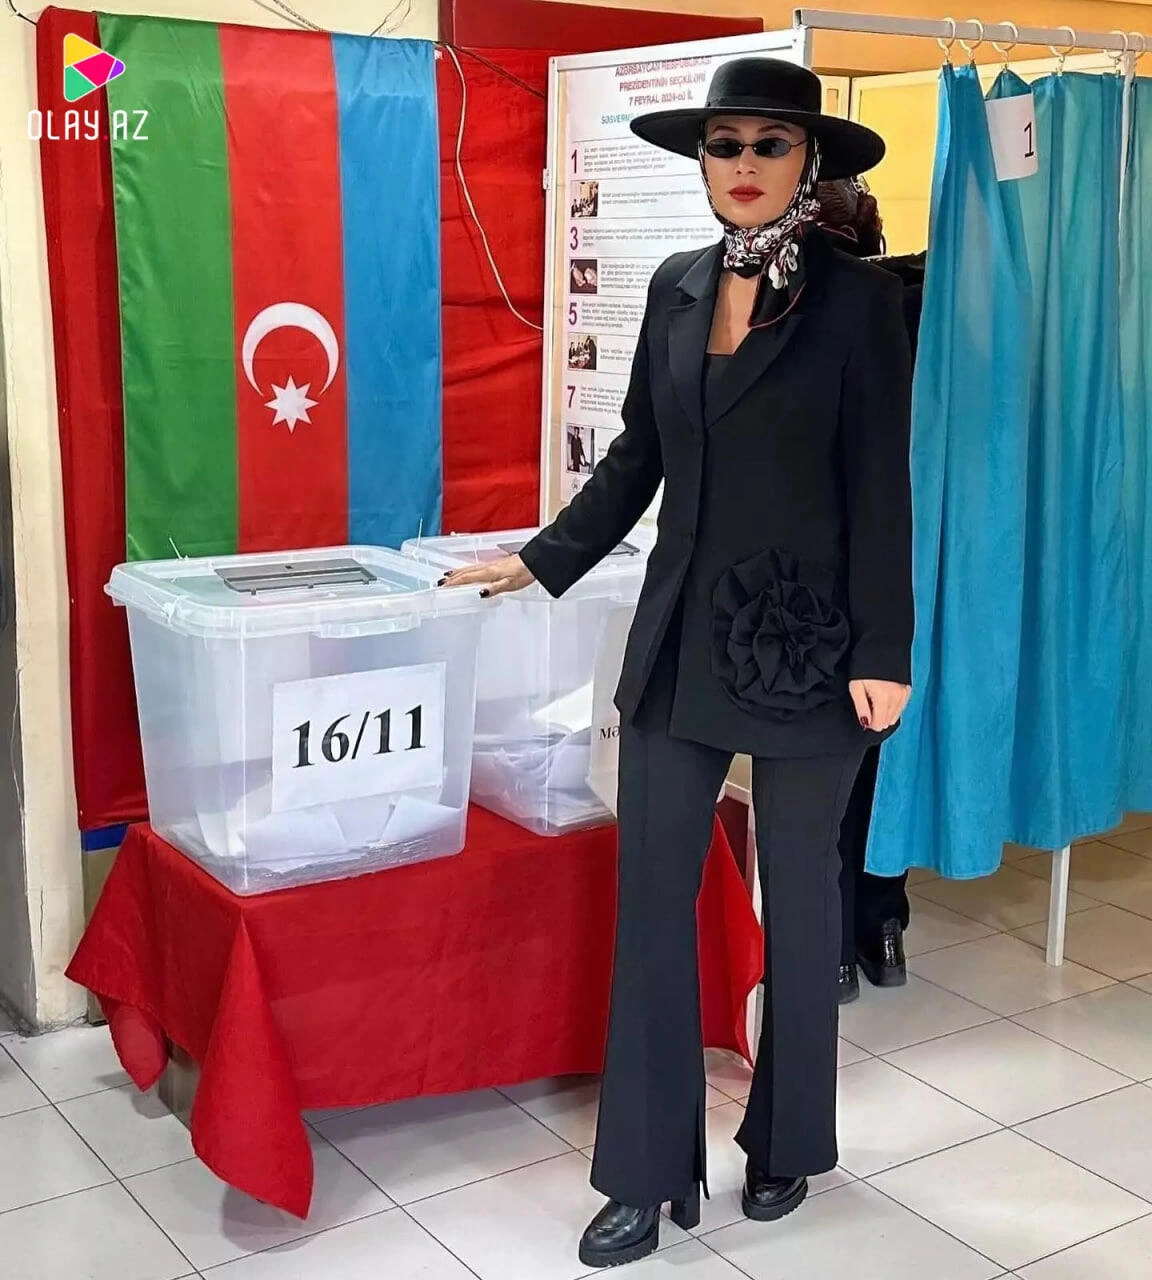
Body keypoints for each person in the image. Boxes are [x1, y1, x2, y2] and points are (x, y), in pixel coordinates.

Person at [440, 58, 912, 1270]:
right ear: (701, 160)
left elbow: (883, 484)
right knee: (653, 901)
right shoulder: (675, 285)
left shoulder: (860, 305)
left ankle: (787, 1136)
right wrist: (538, 557)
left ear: (808, 160)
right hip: (682, 638)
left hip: (815, 645)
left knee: (799, 902)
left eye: (768, 143)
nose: (743, 164)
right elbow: (637, 457)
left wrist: (887, 646)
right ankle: (644, 1175)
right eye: (723, 143)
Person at [815, 176, 924, 1003]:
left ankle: (832, 949)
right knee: (888, 758)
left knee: (828, 772)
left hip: (820, 574)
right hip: (909, 567)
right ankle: (880, 929)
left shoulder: (808, 313)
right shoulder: (920, 309)